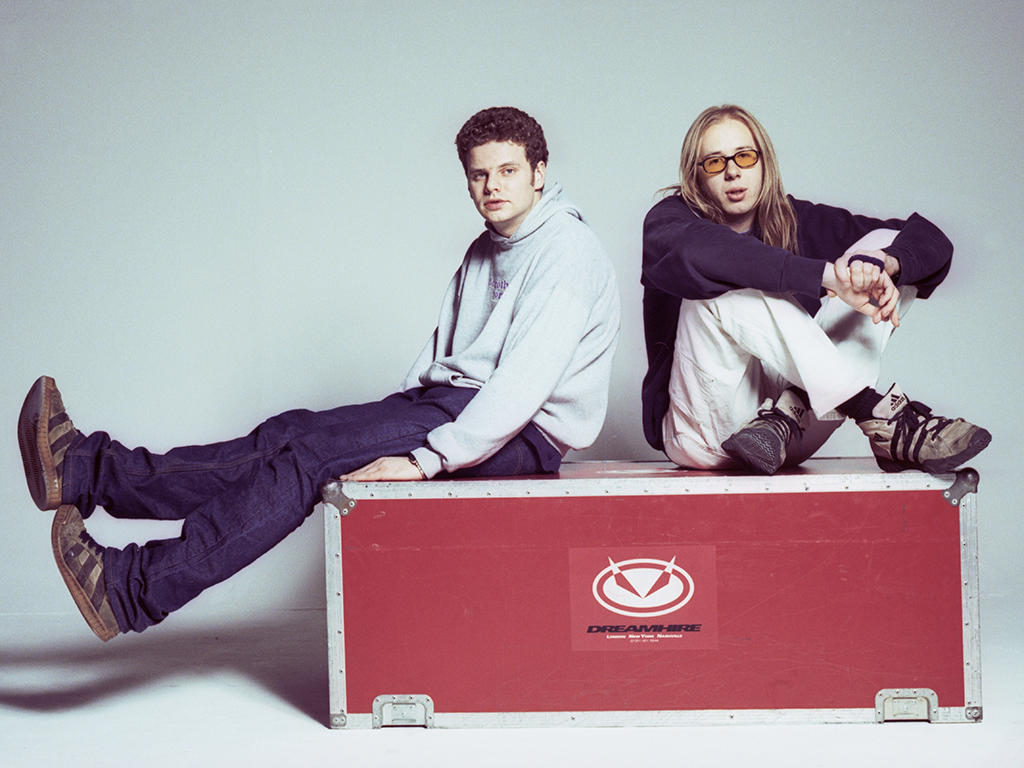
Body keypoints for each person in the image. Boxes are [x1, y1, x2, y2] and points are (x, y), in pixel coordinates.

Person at [18, 106, 621, 642]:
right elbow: (447, 352)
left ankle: (132, 589)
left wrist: (424, 458)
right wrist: (399, 414)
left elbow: (522, 384)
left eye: (508, 171)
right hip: (454, 405)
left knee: (310, 457)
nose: (492, 186)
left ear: (539, 172)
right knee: (289, 432)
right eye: (479, 174)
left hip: (521, 432)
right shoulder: (487, 246)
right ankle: (84, 472)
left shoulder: (567, 251)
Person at [641, 104, 989, 476]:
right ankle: (877, 412)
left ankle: (788, 412)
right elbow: (705, 254)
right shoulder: (670, 221)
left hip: (786, 435)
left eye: (744, 156)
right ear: (696, 176)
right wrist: (825, 275)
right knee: (720, 282)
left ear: (764, 163)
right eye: (714, 162)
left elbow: (929, 240)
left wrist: (885, 265)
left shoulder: (794, 218)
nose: (732, 171)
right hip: (703, 431)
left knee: (883, 247)